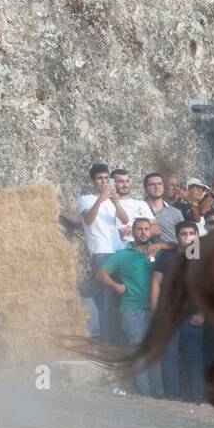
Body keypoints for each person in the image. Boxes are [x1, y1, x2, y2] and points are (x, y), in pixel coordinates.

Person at [98, 217, 165, 397]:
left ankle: (158, 391)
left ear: (151, 231)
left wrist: (162, 245)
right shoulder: (122, 254)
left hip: (155, 308)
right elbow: (101, 273)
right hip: (132, 308)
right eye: (139, 229)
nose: (143, 232)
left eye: (146, 229)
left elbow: (180, 246)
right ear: (132, 232)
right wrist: (116, 286)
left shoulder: (158, 251)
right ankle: (145, 390)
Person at [153, 220, 203, 401]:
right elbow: (156, 283)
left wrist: (202, 314)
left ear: (197, 235)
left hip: (193, 316)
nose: (187, 237)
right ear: (177, 237)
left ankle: (198, 395)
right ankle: (172, 394)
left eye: (191, 233)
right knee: (169, 354)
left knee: (195, 356)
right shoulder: (167, 256)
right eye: (183, 234)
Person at [80, 163, 124, 344]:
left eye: (106, 178)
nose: (104, 182)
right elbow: (88, 220)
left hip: (119, 251)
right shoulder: (86, 199)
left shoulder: (113, 200)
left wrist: (115, 201)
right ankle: (107, 344)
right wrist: (100, 199)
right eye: (100, 178)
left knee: (122, 299)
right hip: (101, 253)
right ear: (92, 181)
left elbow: (125, 219)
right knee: (106, 300)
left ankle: (121, 341)